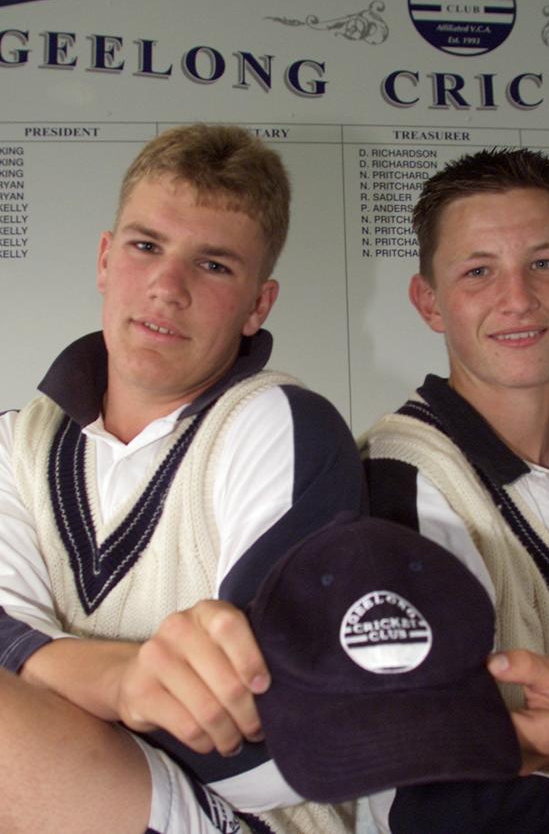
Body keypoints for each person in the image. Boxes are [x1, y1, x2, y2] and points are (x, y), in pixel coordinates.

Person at [0, 124, 366, 834]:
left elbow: (268, 732)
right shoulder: (17, 438)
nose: (167, 289)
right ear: (106, 259)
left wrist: (45, 674)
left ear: (258, 304)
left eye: (214, 265)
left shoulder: (281, 424)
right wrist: (125, 681)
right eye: (146, 247)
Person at [360, 148, 549, 832]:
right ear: (428, 301)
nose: (518, 298)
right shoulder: (393, 473)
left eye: (543, 264)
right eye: (479, 270)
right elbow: (442, 790)